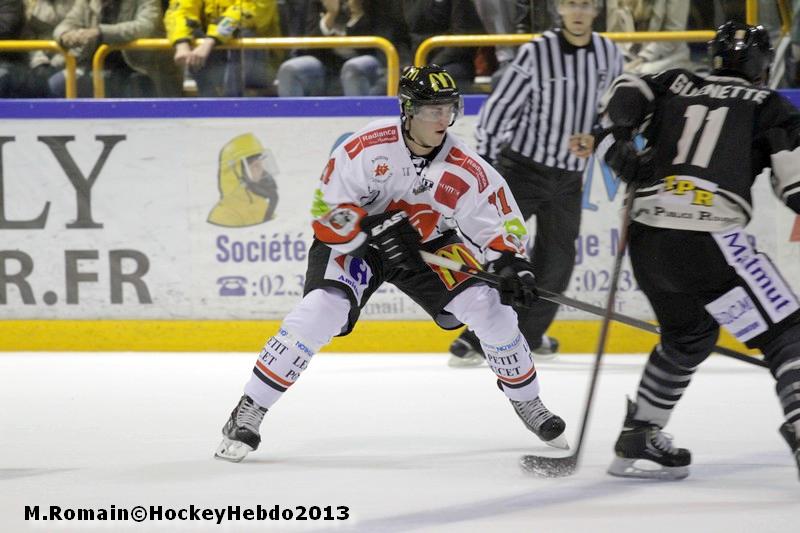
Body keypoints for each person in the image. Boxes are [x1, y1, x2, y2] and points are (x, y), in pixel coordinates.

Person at [214, 64, 569, 462]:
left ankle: (528, 401)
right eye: (432, 110)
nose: (442, 119)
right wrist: (370, 229)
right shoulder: (366, 148)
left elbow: (498, 220)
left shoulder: (465, 167)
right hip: (359, 244)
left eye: (448, 109)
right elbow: (324, 210)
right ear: (408, 110)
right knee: (320, 310)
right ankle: (249, 408)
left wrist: (510, 262)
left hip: (427, 246)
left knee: (491, 308)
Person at [596, 21, 800, 480]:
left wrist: (621, 141)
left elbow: (624, 90)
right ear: (762, 66)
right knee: (788, 333)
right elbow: (795, 186)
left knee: (689, 336)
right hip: (710, 240)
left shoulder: (675, 82)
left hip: (647, 240)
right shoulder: (771, 105)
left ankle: (641, 432)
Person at [448, 0, 624, 367]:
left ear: (596, 9)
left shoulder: (609, 54)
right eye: (571, 4)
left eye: (585, 4)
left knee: (558, 262)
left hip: (569, 178)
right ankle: (476, 336)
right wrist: (487, 170)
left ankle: (528, 335)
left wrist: (595, 136)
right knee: (500, 253)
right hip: (521, 171)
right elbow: (499, 109)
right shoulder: (537, 52)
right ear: (560, 8)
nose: (578, 12)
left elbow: (611, 112)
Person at [52, 0, 182, 98]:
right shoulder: (87, 2)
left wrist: (100, 32)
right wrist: (64, 35)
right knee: (56, 85)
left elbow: (145, 26)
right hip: (95, 67)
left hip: (141, 68)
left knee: (136, 87)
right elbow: (67, 23)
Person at [164, 0, 282, 97]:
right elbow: (180, 10)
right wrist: (181, 43)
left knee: (244, 33)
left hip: (259, 60)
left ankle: (237, 104)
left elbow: (246, 12)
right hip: (213, 54)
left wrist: (210, 41)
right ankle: (208, 105)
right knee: (194, 35)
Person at [208, 133, 280, 227]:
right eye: (256, 166)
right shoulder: (224, 215)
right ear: (236, 172)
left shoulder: (261, 204)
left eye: (261, 165)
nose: (262, 171)